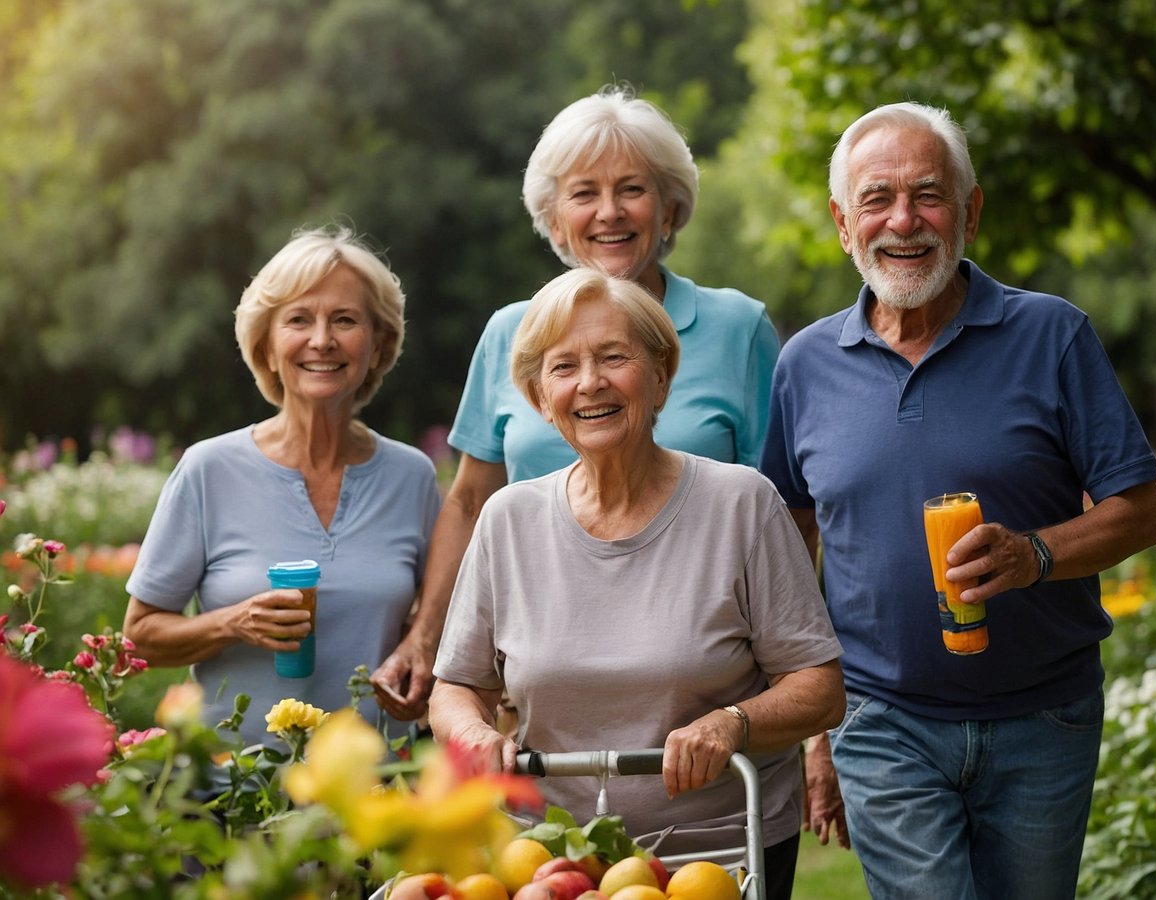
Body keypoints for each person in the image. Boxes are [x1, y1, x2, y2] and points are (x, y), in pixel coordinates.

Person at [758, 101, 1156, 899]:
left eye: (929, 195)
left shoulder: (1052, 336)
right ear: (845, 224)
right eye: (877, 199)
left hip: (1044, 719)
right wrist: (816, 729)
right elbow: (791, 545)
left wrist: (1035, 555)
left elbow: (1142, 509)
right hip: (881, 721)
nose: (903, 221)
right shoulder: (804, 365)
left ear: (970, 213)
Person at [427, 267, 844, 900]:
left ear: (660, 375)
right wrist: (474, 733)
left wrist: (731, 722)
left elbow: (820, 689)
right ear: (540, 398)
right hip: (554, 861)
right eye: (563, 367)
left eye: (613, 358)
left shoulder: (742, 504)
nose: (589, 383)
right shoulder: (508, 519)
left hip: (721, 861)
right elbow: (456, 686)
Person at [370, 85, 781, 721]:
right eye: (585, 193)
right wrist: (428, 642)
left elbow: (786, 513)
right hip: (537, 679)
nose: (609, 212)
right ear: (556, 220)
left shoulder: (738, 328)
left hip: (700, 688)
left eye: (632, 189)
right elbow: (472, 501)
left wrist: (789, 692)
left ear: (669, 209)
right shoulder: (513, 332)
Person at [123, 225, 441, 747]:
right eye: (298, 319)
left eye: (345, 320)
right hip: (234, 795)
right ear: (267, 347)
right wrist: (233, 623)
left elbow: (447, 620)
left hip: (379, 796)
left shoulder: (413, 477)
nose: (322, 340)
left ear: (378, 344)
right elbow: (139, 637)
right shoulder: (209, 470)